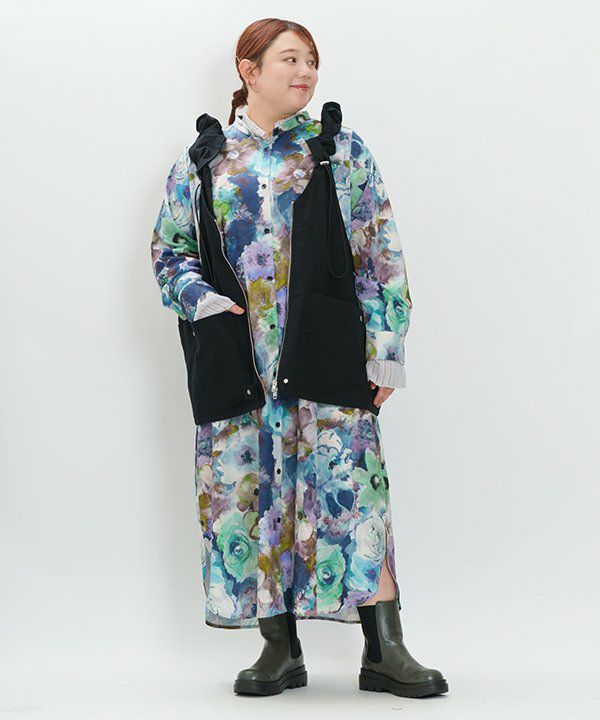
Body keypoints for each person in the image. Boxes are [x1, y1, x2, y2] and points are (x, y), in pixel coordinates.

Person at [150, 17, 448, 699]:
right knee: (251, 494)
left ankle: (385, 649)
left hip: (326, 351)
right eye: (289, 59)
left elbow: (379, 250)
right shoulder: (205, 159)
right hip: (240, 359)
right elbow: (170, 250)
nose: (305, 71)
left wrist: (384, 351)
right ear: (248, 70)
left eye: (311, 60)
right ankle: (279, 650)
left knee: (353, 488)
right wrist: (201, 300)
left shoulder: (339, 150)